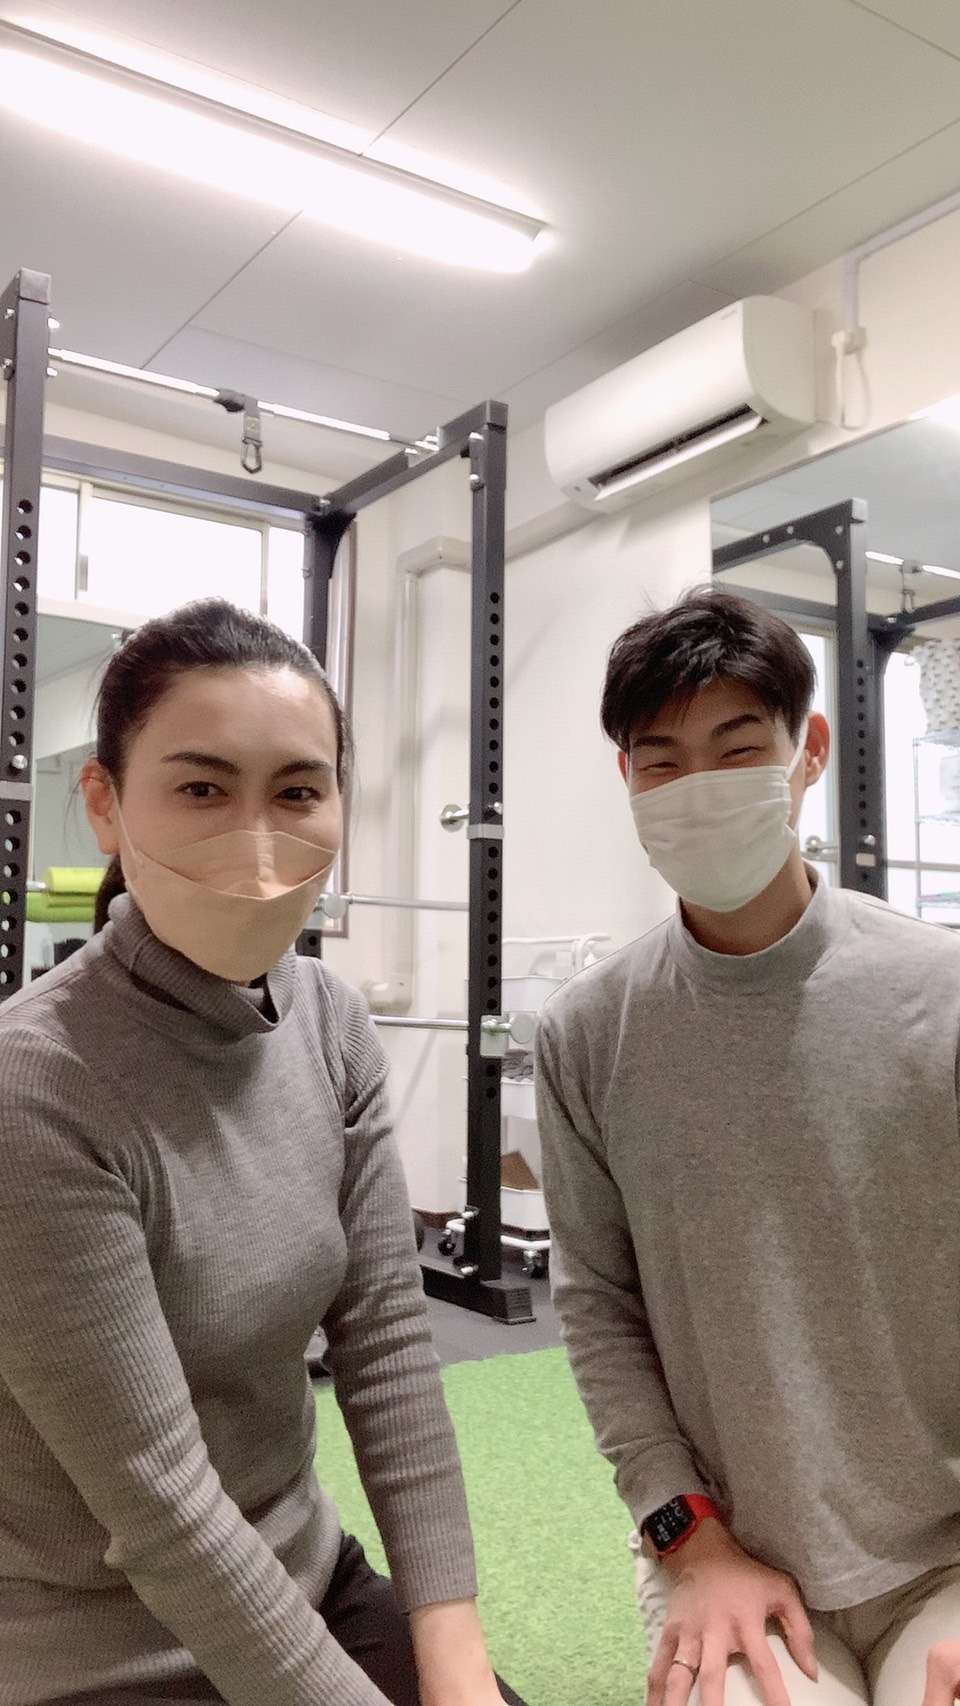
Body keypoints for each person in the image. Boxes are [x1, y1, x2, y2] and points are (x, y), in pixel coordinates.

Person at [0, 598, 523, 1706]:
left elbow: (387, 1347)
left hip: (303, 1576)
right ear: (105, 803)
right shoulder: (36, 1087)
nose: (256, 837)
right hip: (95, 1645)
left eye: (297, 791)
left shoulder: (330, 1021)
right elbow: (161, 1501)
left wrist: (456, 1654)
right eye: (201, 789)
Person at [535, 586, 960, 1706]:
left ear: (806, 751)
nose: (700, 788)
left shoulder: (943, 993)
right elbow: (598, 1307)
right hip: (726, 1547)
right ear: (628, 779)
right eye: (663, 762)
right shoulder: (589, 1032)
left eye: (736, 750)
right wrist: (688, 1536)